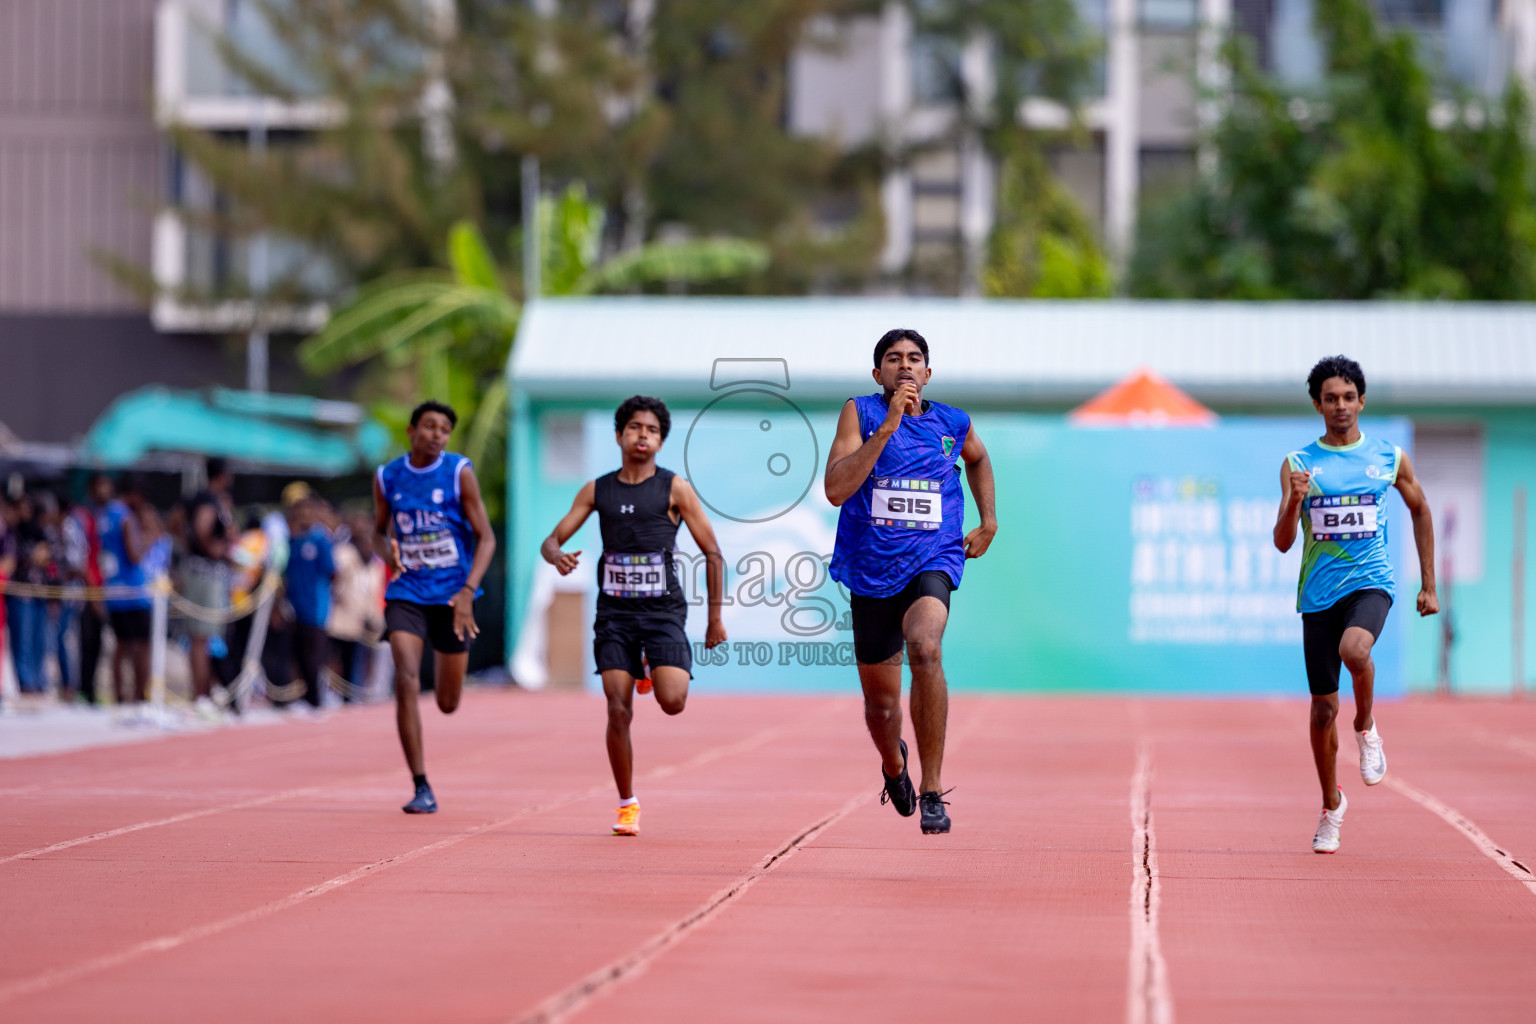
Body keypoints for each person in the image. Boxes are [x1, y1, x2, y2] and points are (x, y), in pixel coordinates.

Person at [824, 329, 998, 836]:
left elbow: (979, 459)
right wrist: (887, 428)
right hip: (872, 568)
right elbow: (836, 489)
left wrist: (988, 521)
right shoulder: (861, 413)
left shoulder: (953, 422)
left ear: (928, 372)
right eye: (893, 360)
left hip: (933, 558)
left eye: (914, 359)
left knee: (925, 649)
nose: (905, 367)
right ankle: (895, 767)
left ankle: (932, 790)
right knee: (881, 709)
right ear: (878, 374)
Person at [1273, 355, 1438, 854]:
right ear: (1318, 404)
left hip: (1371, 584)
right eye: (1330, 398)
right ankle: (1331, 806)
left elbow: (1421, 509)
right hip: (1318, 594)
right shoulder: (1299, 464)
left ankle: (1366, 726)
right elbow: (1283, 542)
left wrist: (1429, 584)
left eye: (1348, 397)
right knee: (1323, 710)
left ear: (1361, 402)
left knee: (1355, 650)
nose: (1340, 406)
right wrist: (1292, 504)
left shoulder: (1388, 457)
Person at [541, 395, 727, 836]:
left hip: (662, 613)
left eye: (652, 430)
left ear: (660, 441)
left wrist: (714, 619)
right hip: (615, 617)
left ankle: (650, 665)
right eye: (635, 428)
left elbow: (713, 554)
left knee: (673, 701)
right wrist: (556, 556)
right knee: (618, 708)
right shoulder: (597, 490)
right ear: (620, 434)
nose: (643, 436)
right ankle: (627, 804)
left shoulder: (675, 488)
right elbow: (553, 539)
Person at [374, 400, 496, 814]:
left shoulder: (459, 472)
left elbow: (488, 538)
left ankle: (444, 698)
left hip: (451, 597)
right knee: (406, 679)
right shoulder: (388, 476)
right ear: (411, 430)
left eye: (445, 429)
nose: (437, 434)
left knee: (447, 702)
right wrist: (386, 552)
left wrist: (467, 592)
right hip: (407, 592)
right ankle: (421, 785)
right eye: (430, 426)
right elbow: (377, 533)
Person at [99, 475, 159, 706]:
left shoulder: (107, 515)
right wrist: (150, 537)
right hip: (133, 591)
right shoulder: (125, 517)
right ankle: (138, 696)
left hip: (113, 589)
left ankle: (119, 696)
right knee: (142, 646)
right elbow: (134, 555)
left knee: (121, 645)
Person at [182, 458, 234, 711]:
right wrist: (213, 550)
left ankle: (206, 691)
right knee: (201, 636)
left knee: (208, 636)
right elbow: (201, 527)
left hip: (208, 571)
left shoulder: (208, 499)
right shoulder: (207, 500)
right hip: (204, 572)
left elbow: (176, 523)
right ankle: (199, 694)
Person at [284, 497, 336, 709]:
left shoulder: (320, 540)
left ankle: (316, 698)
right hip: (295, 607)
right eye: (300, 511)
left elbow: (331, 571)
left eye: (307, 511)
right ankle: (306, 696)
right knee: (298, 652)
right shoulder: (294, 541)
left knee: (313, 653)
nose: (303, 515)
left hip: (316, 607)